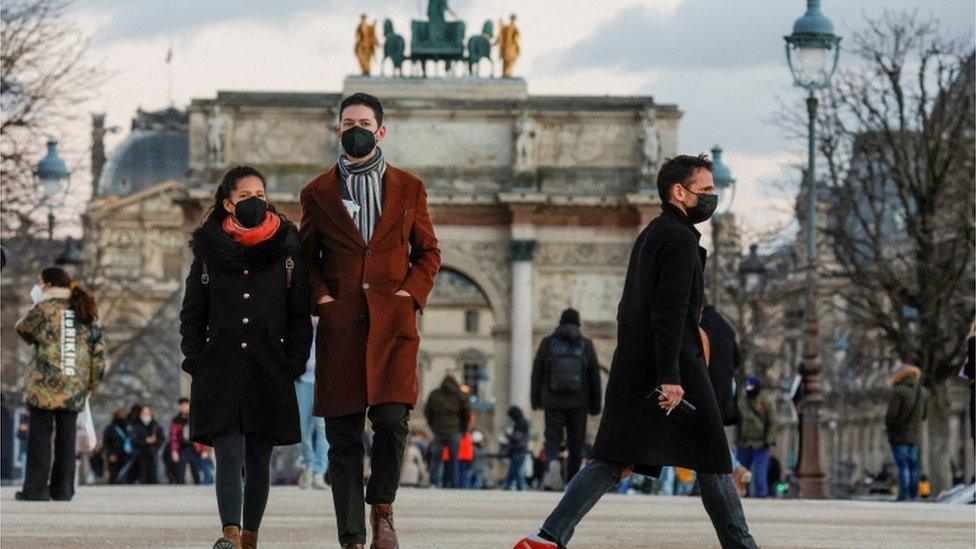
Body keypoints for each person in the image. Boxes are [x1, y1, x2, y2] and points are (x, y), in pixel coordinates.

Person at [515, 154, 757, 549]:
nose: (713, 196)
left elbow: (630, 309)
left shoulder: (652, 233)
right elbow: (671, 314)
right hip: (675, 368)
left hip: (639, 366)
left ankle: (546, 538)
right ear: (679, 192)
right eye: (707, 189)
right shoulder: (678, 240)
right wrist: (671, 378)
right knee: (713, 458)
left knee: (614, 459)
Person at [300, 92, 440, 549]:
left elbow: (428, 253)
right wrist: (321, 299)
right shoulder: (316, 192)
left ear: (381, 130)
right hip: (342, 329)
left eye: (363, 121)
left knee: (393, 421)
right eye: (347, 122)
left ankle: (382, 508)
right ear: (337, 130)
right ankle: (352, 536)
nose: (354, 128)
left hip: (392, 326)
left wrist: (410, 295)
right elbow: (306, 260)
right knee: (342, 438)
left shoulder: (409, 187)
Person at [180, 164, 313, 549]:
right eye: (244, 197)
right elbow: (193, 312)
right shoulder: (207, 252)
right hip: (220, 366)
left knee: (258, 458)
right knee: (229, 453)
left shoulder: (288, 249)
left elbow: (298, 313)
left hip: (269, 367)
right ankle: (231, 534)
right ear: (227, 203)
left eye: (260, 196)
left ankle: (250, 535)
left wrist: (294, 362)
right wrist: (195, 358)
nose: (254, 202)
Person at [14, 267, 107, 501]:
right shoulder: (84, 310)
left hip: (43, 385)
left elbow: (23, 330)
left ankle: (35, 490)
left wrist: (36, 303)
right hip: (74, 385)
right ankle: (63, 490)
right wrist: (90, 385)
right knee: (67, 441)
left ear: (47, 284)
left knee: (39, 439)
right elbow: (99, 353)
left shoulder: (44, 308)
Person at [531, 308, 602, 484]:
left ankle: (552, 464)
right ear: (578, 324)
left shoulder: (547, 343)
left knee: (552, 438)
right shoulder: (586, 344)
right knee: (576, 442)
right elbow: (594, 376)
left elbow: (537, 372)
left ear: (560, 322)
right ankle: (571, 481)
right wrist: (595, 404)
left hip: (553, 400)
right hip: (579, 401)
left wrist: (535, 398)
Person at [885, 364, 930, 501]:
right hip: (915, 436)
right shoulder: (923, 392)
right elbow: (924, 416)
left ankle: (904, 495)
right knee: (914, 466)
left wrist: (890, 427)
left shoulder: (899, 391)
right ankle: (913, 493)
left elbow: (891, 415)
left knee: (903, 466)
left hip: (899, 435)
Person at [296, 317, 329, 490]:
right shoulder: (302, 319)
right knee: (302, 426)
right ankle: (308, 463)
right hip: (304, 379)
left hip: (323, 379)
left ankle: (319, 470)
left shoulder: (328, 316)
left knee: (322, 427)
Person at [424, 375, 470, 488]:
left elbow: (428, 411)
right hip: (455, 430)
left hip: (438, 430)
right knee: (454, 459)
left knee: (436, 458)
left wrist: (433, 426)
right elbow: (466, 414)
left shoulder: (434, 394)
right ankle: (454, 483)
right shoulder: (460, 395)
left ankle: (433, 482)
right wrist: (463, 429)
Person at [735, 376, 777, 498]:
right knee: (741, 472)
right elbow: (737, 421)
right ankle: (742, 495)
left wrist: (768, 440)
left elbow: (773, 422)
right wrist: (735, 439)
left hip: (761, 444)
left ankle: (761, 496)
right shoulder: (741, 401)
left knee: (760, 473)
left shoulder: (765, 402)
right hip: (744, 442)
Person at [170, 398, 203, 484]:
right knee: (180, 472)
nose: (184, 407)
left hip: (195, 448)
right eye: (182, 405)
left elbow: (202, 435)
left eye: (186, 405)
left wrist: (204, 450)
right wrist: (174, 451)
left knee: (196, 472)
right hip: (182, 448)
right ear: (180, 407)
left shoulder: (195, 418)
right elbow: (173, 437)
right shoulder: (176, 420)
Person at [131, 405, 165, 484]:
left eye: (148, 413)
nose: (146, 415)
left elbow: (162, 438)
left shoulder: (156, 426)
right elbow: (134, 440)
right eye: (144, 413)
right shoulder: (136, 426)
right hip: (140, 454)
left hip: (153, 453)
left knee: (154, 474)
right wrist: (145, 440)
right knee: (143, 475)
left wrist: (156, 442)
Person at [503, 406, 530, 491]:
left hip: (519, 450)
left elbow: (517, 437)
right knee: (514, 470)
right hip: (518, 450)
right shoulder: (521, 423)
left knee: (516, 470)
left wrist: (508, 435)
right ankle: (510, 485)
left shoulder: (521, 423)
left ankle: (519, 486)